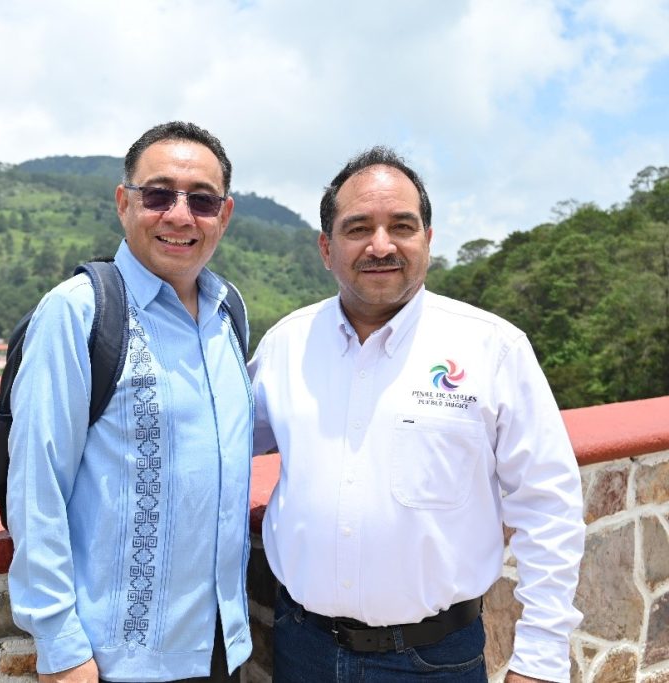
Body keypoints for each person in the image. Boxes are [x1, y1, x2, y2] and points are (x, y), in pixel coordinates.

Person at [248, 146, 584, 683]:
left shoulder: (491, 348)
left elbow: (548, 503)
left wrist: (541, 657)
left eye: (401, 225)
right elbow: (221, 444)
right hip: (302, 647)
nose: (380, 245)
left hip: (433, 661)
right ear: (325, 248)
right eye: (358, 228)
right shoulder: (286, 345)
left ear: (427, 239)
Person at [7, 121, 253, 683]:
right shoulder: (79, 312)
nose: (179, 215)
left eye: (202, 200)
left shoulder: (228, 312)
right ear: (124, 203)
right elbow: (36, 485)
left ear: (225, 214)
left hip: (223, 649)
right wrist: (61, 647)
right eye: (159, 195)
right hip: (118, 661)